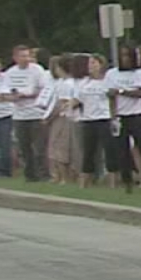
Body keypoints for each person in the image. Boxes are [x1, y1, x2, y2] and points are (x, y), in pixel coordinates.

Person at [107, 45, 141, 192]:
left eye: (128, 56)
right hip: (120, 116)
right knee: (122, 150)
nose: (125, 59)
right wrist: (113, 116)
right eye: (122, 56)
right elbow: (110, 95)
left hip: (137, 115)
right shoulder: (112, 74)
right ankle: (127, 182)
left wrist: (121, 91)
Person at [3, 45, 51, 182]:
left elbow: (43, 90)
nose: (25, 59)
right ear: (15, 58)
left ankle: (43, 174)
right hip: (19, 114)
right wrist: (11, 97)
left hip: (36, 113)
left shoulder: (37, 70)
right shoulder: (10, 73)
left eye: (27, 56)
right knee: (24, 147)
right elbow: (4, 91)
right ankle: (30, 175)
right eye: (22, 56)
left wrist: (26, 95)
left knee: (39, 147)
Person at [75, 54, 119, 188]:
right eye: (89, 63)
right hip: (88, 119)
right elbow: (78, 99)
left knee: (109, 150)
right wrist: (70, 105)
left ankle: (112, 181)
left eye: (94, 63)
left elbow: (113, 99)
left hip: (104, 118)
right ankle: (85, 181)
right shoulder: (84, 83)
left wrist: (114, 117)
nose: (91, 66)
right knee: (88, 151)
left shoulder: (107, 81)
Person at [46, 55, 79, 185]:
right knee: (57, 146)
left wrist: (49, 118)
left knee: (59, 146)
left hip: (63, 117)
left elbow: (62, 104)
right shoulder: (61, 82)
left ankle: (64, 177)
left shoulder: (67, 84)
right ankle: (59, 175)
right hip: (62, 117)